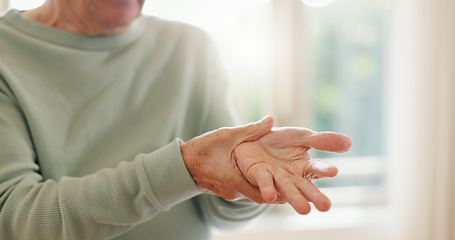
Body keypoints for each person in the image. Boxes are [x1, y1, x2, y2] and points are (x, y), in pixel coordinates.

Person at [0, 0, 352, 239]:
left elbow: (220, 211)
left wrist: (250, 182)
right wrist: (184, 169)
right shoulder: (7, 52)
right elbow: (15, 219)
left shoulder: (190, 46)